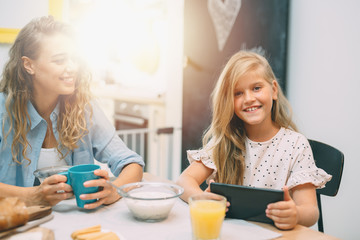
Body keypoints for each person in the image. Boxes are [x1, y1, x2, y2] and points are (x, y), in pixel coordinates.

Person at [176, 50, 332, 230]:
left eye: (256, 88)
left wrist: (295, 214)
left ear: (273, 90)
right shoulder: (225, 141)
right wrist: (199, 197)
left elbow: (311, 212)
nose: (249, 99)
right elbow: (183, 181)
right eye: (238, 93)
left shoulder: (296, 144)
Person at [0, 16, 144, 209]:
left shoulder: (83, 107)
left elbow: (131, 163)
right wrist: (32, 196)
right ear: (29, 65)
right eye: (59, 60)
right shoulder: (3, 110)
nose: (72, 68)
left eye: (74, 59)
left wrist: (114, 190)